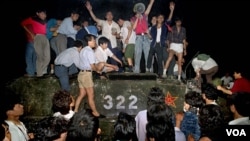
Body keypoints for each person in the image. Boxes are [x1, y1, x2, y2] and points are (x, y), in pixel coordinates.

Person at [85, 1, 123, 71]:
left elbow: (119, 36)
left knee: (113, 59)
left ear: (113, 16)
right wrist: (90, 10)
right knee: (101, 58)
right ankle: (100, 72)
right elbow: (95, 18)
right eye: (108, 15)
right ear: (106, 17)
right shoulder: (103, 22)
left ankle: (115, 73)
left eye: (111, 14)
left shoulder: (116, 25)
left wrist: (116, 35)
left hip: (113, 44)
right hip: (103, 43)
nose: (109, 16)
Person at [74, 34, 105, 118]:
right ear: (89, 41)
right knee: (91, 95)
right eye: (93, 40)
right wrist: (98, 70)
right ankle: (95, 113)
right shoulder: (89, 51)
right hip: (86, 75)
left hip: (81, 74)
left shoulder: (83, 50)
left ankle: (75, 111)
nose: (95, 42)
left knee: (82, 94)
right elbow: (92, 66)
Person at [147, 1, 175, 78]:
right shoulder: (153, 27)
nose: (160, 19)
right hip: (153, 44)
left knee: (160, 59)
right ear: (157, 19)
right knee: (150, 56)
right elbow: (151, 37)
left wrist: (171, 10)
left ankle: (160, 73)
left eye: (162, 18)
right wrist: (148, 34)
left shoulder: (165, 26)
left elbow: (169, 19)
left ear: (163, 19)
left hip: (160, 44)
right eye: (159, 17)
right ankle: (148, 69)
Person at [21, 8, 50, 78]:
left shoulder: (44, 21)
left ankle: (38, 71)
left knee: (45, 58)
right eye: (42, 13)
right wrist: (31, 33)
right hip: (36, 39)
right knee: (37, 57)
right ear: (37, 14)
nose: (44, 15)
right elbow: (22, 23)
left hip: (42, 39)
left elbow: (47, 29)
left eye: (44, 14)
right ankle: (37, 73)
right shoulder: (32, 19)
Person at [131, 0, 155, 73]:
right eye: (138, 9)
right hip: (138, 37)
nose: (139, 10)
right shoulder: (133, 18)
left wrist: (151, 2)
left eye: (140, 8)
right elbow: (134, 28)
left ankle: (149, 71)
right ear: (135, 10)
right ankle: (136, 71)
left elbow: (149, 8)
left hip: (146, 37)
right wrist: (138, 18)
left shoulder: (145, 15)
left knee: (147, 55)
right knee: (137, 54)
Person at [163, 16, 188, 81]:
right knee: (170, 58)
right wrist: (168, 47)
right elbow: (168, 39)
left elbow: (184, 40)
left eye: (179, 21)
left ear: (181, 22)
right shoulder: (172, 28)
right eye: (177, 21)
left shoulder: (183, 29)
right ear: (175, 22)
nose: (178, 22)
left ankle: (179, 78)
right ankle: (164, 73)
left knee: (179, 62)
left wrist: (185, 50)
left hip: (180, 46)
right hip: (173, 44)